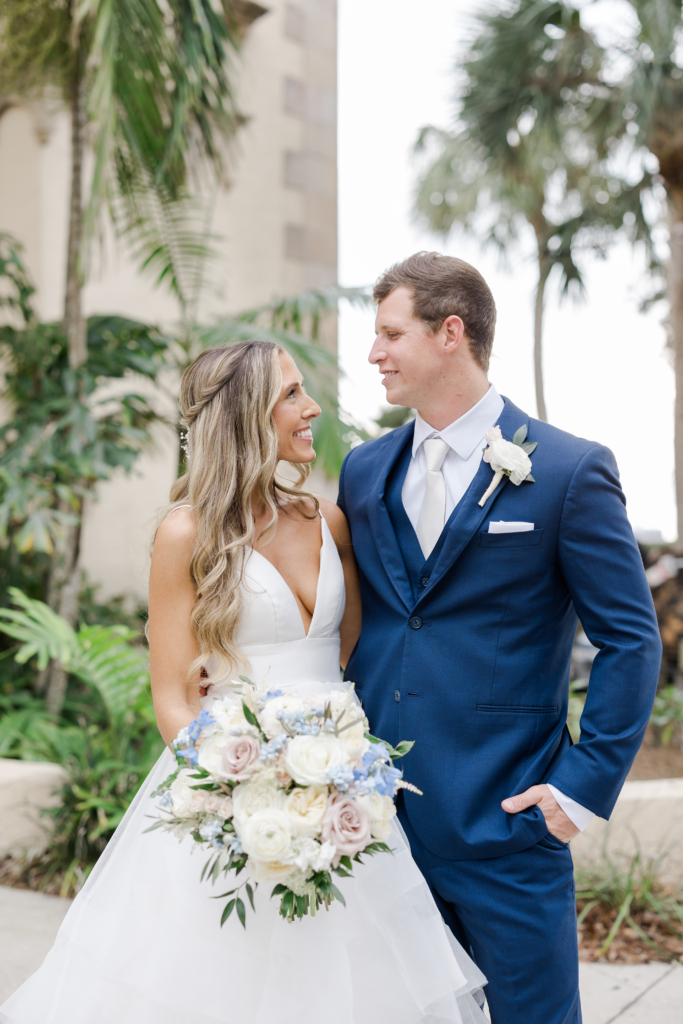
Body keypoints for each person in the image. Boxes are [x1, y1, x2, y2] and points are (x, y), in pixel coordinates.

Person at [0, 340, 487, 1024]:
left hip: (340, 798)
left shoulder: (328, 521)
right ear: (243, 414)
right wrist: (244, 797)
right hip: (223, 803)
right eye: (291, 394)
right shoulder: (185, 534)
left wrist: (326, 785)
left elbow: (353, 659)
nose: (311, 407)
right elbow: (171, 695)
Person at [337, 251, 662, 1024]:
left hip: (505, 824)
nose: (373, 354)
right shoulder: (363, 471)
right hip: (376, 832)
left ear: (450, 332)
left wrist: (579, 789)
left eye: (389, 334)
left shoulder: (567, 471)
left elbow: (629, 639)